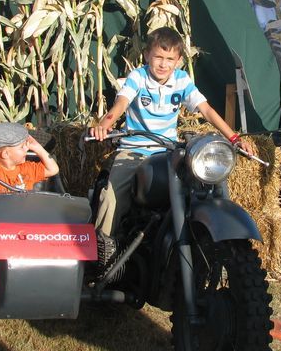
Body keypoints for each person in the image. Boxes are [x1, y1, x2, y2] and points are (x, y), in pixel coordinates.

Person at [89, 26, 255, 239]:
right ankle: (101, 247)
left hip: (167, 152)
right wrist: (105, 124)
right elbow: (121, 104)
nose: (163, 64)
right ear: (147, 55)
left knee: (202, 184)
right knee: (111, 198)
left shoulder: (181, 80)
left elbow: (206, 110)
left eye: (170, 59)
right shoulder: (138, 77)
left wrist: (234, 138)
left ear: (178, 61)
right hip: (134, 151)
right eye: (158, 57)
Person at [0, 123, 59, 194]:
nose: (27, 148)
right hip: (1, 216)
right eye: (22, 147)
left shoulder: (27, 168)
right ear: (5, 154)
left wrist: (38, 148)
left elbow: (53, 169)